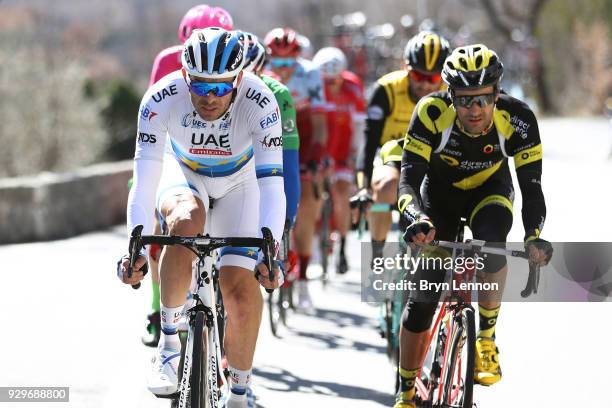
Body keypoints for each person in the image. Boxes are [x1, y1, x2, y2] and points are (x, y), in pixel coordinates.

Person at [116, 28, 285, 408]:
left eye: (222, 87)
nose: (210, 97)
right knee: (186, 219)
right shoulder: (161, 97)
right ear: (185, 76)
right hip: (185, 172)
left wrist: (269, 252)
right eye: (201, 86)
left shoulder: (261, 101)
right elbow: (145, 179)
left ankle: (239, 392)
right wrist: (135, 246)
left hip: (241, 183)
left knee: (240, 290)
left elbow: (273, 184)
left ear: (239, 79)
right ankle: (170, 345)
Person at [393, 44, 553, 408]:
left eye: (483, 99)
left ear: (497, 94)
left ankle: (486, 339)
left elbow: (532, 187)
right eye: (465, 100)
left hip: (490, 193)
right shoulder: (431, 113)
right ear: (451, 96)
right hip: (440, 199)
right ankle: (404, 389)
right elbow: (408, 180)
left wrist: (533, 237)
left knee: (493, 242)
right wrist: (415, 217)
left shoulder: (519, 118)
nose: (475, 110)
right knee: (422, 299)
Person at [141, 4, 234, 348]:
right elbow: (153, 119)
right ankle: (156, 309)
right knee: (159, 231)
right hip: (173, 156)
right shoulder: (167, 60)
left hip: (223, 159)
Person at [354, 31, 451, 266]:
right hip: (392, 160)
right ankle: (377, 254)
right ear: (405, 67)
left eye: (434, 77)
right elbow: (368, 144)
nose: (426, 84)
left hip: (432, 161)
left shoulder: (451, 94)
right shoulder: (386, 89)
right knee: (386, 187)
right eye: (418, 75)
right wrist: (363, 187)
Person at [264, 27, 328, 311]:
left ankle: (302, 279)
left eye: (289, 63)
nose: (284, 68)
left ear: (298, 60)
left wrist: (315, 157)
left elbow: (319, 124)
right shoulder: (259, 70)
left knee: (307, 207)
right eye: (277, 62)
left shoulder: (310, 73)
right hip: (269, 135)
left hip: (302, 133)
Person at [312, 46, 366, 274]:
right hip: (318, 150)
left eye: (335, 80)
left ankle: (343, 245)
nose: (331, 85)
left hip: (343, 151)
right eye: (326, 80)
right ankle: (315, 238)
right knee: (312, 192)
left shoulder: (352, 86)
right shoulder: (312, 84)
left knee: (342, 192)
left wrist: (357, 154)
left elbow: (361, 125)